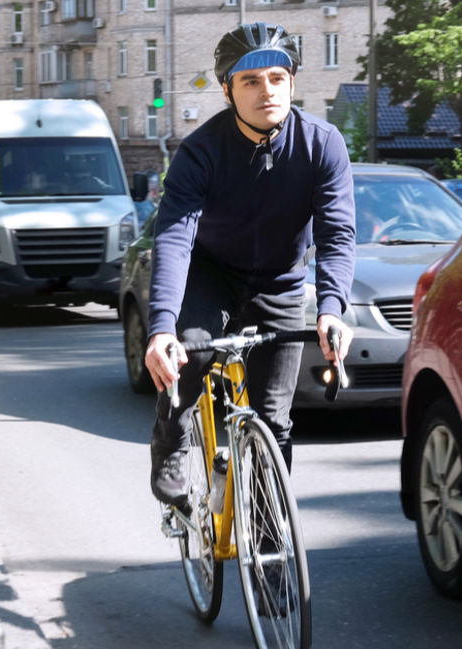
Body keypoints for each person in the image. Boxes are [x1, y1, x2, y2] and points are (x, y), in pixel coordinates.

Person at [144, 22, 356, 509]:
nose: (267, 91)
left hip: (280, 282)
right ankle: (171, 440)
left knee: (275, 422)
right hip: (211, 275)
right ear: (227, 91)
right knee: (189, 352)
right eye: (251, 81)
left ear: (292, 83)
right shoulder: (199, 152)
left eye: (277, 79)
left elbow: (337, 234)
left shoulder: (322, 144)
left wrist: (331, 310)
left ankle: (269, 533)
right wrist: (161, 330)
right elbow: (174, 238)